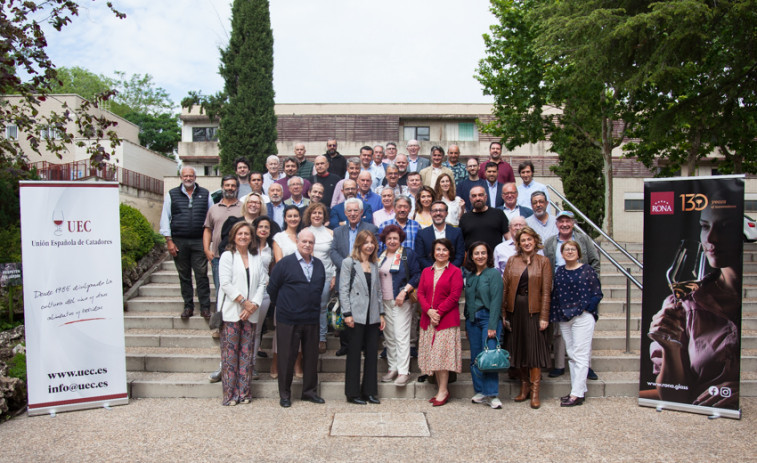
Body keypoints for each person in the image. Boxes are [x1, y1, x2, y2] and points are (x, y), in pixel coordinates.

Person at [648, 204, 741, 408]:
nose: (711, 239)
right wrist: (670, 349)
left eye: (724, 226)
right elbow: (673, 398)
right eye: (705, 226)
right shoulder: (684, 305)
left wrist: (744, 389)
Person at [267, 229, 326, 408]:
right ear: (297, 243)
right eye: (304, 241)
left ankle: (309, 392)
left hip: (311, 318)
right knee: (286, 357)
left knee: (311, 357)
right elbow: (272, 289)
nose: (307, 245)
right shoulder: (285, 263)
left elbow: (318, 288)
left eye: (311, 242)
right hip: (288, 318)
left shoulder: (319, 265)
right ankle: (285, 394)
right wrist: (286, 306)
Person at [544, 210, 601, 379]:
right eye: (561, 221)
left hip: (582, 291)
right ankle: (560, 365)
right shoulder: (550, 243)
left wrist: (592, 282)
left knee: (583, 334)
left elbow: (595, 261)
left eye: (567, 221)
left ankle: (586, 366)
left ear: (573, 223)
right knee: (560, 333)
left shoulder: (583, 239)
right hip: (561, 292)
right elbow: (548, 265)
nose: (564, 224)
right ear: (557, 224)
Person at [217, 221, 268, 406]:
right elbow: (225, 283)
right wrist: (243, 303)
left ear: (252, 237)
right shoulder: (227, 256)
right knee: (230, 355)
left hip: (251, 312)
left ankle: (244, 392)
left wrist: (253, 304)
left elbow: (262, 283)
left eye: (247, 234)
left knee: (246, 354)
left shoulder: (256, 257)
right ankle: (230, 395)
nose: (243, 237)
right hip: (232, 312)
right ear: (234, 236)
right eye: (240, 234)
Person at [502, 226, 552, 409]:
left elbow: (546, 291)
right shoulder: (512, 261)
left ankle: (535, 391)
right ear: (518, 243)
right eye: (523, 240)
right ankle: (524, 387)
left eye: (529, 239)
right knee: (520, 351)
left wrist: (544, 316)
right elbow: (505, 287)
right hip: (516, 311)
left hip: (534, 311)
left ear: (535, 240)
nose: (527, 243)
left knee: (534, 352)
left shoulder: (543, 261)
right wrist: (504, 313)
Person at [550, 240, 603, 407]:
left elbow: (597, 293)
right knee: (572, 354)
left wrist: (587, 310)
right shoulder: (559, 271)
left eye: (573, 249)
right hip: (565, 317)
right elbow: (556, 295)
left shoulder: (586, 270)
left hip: (582, 317)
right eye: (566, 250)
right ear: (562, 254)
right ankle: (579, 390)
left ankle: (576, 394)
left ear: (579, 253)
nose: (570, 252)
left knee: (580, 354)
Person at [160, 167, 213, 319]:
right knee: (184, 276)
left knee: (201, 275)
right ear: (181, 177)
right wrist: (169, 241)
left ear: (195, 177)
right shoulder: (172, 194)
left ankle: (205, 308)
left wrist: (208, 243)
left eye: (191, 175)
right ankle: (188, 307)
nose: (188, 178)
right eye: (185, 176)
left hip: (199, 241)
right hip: (179, 241)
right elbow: (165, 219)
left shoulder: (205, 194)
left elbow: (210, 219)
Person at [340, 230, 385, 404]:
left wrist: (381, 313)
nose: (369, 245)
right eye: (366, 242)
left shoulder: (375, 264)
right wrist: (347, 314)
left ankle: (370, 391)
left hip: (372, 315)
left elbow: (379, 292)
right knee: (353, 354)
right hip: (355, 315)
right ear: (359, 244)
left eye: (372, 242)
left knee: (372, 353)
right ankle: (352, 393)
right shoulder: (349, 263)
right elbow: (343, 289)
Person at [417, 238, 463, 406]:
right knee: (433, 355)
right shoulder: (426, 271)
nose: (441, 253)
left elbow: (454, 296)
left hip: (447, 320)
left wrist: (438, 312)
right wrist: (429, 311)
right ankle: (440, 390)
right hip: (428, 319)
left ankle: (443, 390)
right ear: (433, 252)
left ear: (449, 252)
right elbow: (420, 293)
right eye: (438, 250)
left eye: (444, 250)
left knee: (441, 356)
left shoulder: (455, 271)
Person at [330, 198, 379, 357]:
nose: (352, 213)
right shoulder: (338, 231)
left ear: (361, 212)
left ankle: (363, 344)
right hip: (344, 274)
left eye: (355, 210)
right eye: (349, 211)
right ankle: (345, 345)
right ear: (345, 213)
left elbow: (375, 249)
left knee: (364, 308)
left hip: (365, 273)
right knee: (343, 310)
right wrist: (347, 265)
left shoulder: (371, 228)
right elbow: (333, 252)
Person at [377, 224, 421, 387]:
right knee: (389, 337)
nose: (392, 241)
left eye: (395, 238)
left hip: (401, 301)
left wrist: (404, 292)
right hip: (384, 302)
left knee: (401, 336)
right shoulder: (380, 255)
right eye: (389, 238)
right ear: (384, 240)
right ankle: (393, 368)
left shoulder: (407, 254)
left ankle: (404, 371)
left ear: (400, 239)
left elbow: (417, 274)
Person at [464, 241, 504, 409]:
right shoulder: (471, 276)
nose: (480, 256)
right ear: (471, 257)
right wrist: (467, 321)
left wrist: (493, 325)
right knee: (476, 358)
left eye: (483, 253)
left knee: (490, 357)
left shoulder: (493, 274)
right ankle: (480, 391)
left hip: (488, 318)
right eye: (476, 253)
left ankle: (492, 394)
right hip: (473, 320)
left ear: (488, 255)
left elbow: (496, 301)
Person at [271, 205, 304, 379]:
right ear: (285, 218)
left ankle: (298, 362)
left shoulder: (303, 235)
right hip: (286, 287)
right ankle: (276, 362)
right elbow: (279, 262)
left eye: (296, 216)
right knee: (281, 329)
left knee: (300, 327)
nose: (293, 219)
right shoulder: (279, 237)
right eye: (290, 216)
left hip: (303, 289)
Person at [203, 175, 243, 307]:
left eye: (233, 186)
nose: (230, 188)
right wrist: (207, 250)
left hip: (238, 256)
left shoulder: (243, 207)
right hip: (217, 256)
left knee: (236, 289)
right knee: (220, 288)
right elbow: (208, 230)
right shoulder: (213, 208)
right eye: (227, 185)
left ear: (237, 188)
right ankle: (221, 319)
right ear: (222, 187)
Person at [303, 202, 336, 353]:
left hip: (326, 275)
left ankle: (321, 338)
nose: (317, 215)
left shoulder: (331, 233)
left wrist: (334, 275)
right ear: (309, 215)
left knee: (322, 307)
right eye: (314, 213)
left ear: (324, 216)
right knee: (308, 306)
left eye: (320, 213)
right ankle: (308, 337)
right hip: (306, 276)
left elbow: (333, 256)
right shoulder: (304, 232)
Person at [250, 215, 276, 377]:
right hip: (247, 291)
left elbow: (272, 270)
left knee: (256, 330)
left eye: (266, 227)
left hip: (264, 292)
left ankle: (251, 365)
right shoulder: (247, 245)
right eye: (260, 227)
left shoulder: (270, 249)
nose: (263, 230)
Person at [414, 201, 465, 270]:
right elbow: (420, 257)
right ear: (430, 213)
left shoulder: (456, 232)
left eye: (441, 210)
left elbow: (460, 256)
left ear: (446, 213)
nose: (438, 213)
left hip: (452, 273)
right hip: (430, 274)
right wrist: (435, 270)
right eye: (435, 211)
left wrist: (448, 270)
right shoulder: (422, 234)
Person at [459, 185, 509, 252]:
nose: (478, 198)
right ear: (470, 199)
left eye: (480, 195)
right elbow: (460, 243)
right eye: (474, 196)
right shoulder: (465, 218)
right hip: (472, 260)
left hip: (495, 259)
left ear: (486, 197)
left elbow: (508, 238)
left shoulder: (498, 214)